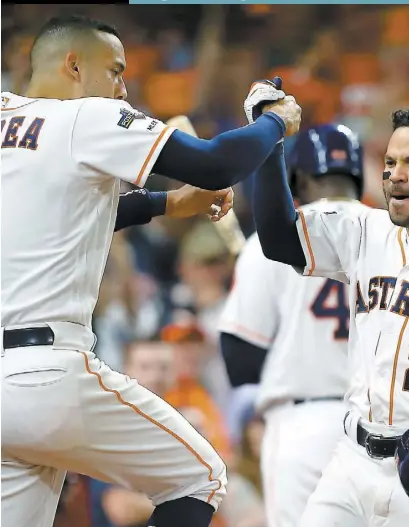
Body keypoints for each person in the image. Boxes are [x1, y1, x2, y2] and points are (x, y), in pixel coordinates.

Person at [1, 15, 301, 527]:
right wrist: (272, 121)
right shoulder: (84, 117)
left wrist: (166, 204)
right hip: (46, 372)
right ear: (74, 65)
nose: (123, 88)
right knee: (200, 476)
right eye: (115, 72)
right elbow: (214, 163)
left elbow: (60, 222)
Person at [250, 100, 409, 526]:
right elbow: (279, 238)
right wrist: (268, 138)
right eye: (389, 162)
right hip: (351, 461)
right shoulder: (364, 228)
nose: (395, 175)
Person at [219, 123, 368, 527]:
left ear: (297, 178)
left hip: (302, 426)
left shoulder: (270, 242)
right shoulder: (394, 235)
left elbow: (240, 359)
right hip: (382, 427)